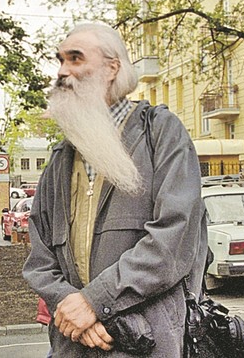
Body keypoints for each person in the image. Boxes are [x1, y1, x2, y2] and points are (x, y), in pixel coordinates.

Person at [22, 23, 208, 356]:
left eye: (76, 59)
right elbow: (39, 258)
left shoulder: (161, 133)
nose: (63, 71)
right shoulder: (62, 156)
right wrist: (72, 305)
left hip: (145, 341)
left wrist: (95, 301)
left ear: (112, 68)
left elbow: (174, 239)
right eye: (60, 60)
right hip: (74, 341)